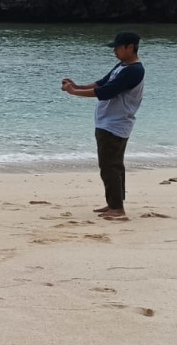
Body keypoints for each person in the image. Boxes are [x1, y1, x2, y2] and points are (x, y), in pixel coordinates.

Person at [61, 31, 145, 220]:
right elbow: (102, 83)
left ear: (130, 47)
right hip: (108, 122)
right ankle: (114, 203)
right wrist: (78, 86)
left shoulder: (134, 70)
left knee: (110, 166)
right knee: (113, 165)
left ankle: (117, 208)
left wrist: (74, 92)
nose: (114, 51)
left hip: (116, 124)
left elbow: (108, 92)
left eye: (117, 47)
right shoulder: (123, 66)